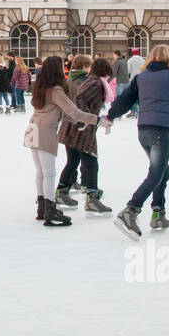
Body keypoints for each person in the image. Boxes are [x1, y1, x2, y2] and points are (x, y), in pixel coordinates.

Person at [102, 45, 169, 238]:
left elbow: (125, 99)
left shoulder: (141, 77)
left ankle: (158, 212)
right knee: (156, 174)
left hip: (144, 130)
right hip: (161, 129)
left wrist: (111, 115)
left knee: (162, 171)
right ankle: (131, 210)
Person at [25, 56, 99, 227]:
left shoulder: (39, 87)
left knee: (40, 171)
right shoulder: (56, 90)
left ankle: (42, 208)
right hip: (45, 130)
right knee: (49, 172)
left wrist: (76, 121)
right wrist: (97, 120)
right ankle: (50, 210)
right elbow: (74, 112)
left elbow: (63, 113)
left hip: (32, 128)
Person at [57, 55, 112, 216]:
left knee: (74, 160)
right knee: (90, 161)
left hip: (72, 123)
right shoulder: (93, 83)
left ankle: (62, 191)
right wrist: (87, 120)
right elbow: (80, 100)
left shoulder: (79, 81)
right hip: (80, 126)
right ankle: (91, 197)